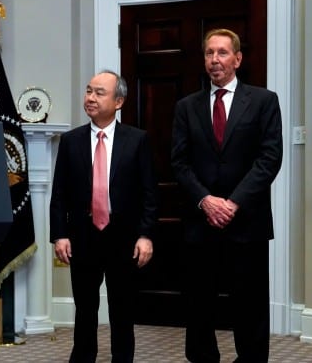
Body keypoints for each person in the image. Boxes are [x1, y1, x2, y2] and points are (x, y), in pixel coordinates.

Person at [171, 28, 283, 362]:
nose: (214, 60)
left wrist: (232, 203)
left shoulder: (264, 101)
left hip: (246, 220)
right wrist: (205, 200)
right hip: (199, 221)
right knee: (199, 303)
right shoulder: (185, 107)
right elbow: (179, 162)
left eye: (222, 52)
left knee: (249, 304)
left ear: (238, 58)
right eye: (209, 53)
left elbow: (269, 158)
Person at [50, 70, 157, 362]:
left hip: (123, 238)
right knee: (85, 310)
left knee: (123, 310)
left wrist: (146, 235)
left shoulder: (137, 140)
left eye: (99, 92)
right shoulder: (71, 141)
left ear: (119, 101)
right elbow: (59, 194)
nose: (91, 98)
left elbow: (149, 193)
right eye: (88, 91)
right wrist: (59, 235)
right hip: (83, 237)